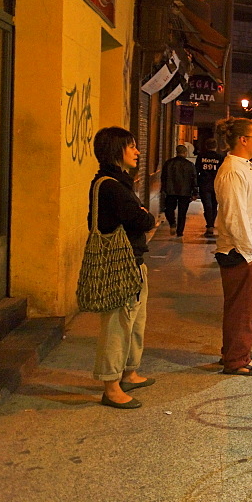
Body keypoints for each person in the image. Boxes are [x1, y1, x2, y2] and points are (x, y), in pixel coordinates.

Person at [88, 127, 157, 409]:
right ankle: (111, 385)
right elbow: (142, 221)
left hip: (134, 261)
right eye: (131, 147)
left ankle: (129, 371)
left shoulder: (120, 183)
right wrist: (146, 216)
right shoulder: (111, 186)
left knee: (135, 322)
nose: (137, 151)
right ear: (116, 151)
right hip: (121, 265)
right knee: (118, 325)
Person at [213, 117, 252, 376]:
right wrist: (249, 254)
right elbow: (234, 216)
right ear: (243, 140)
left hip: (251, 248)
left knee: (245, 306)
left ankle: (236, 350)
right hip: (242, 251)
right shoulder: (232, 170)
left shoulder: (246, 167)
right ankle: (237, 360)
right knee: (246, 308)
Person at [161, 144, 198, 237]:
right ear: (185, 153)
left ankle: (172, 224)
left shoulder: (168, 163)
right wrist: (195, 192)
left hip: (170, 191)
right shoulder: (190, 165)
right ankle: (180, 231)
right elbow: (194, 179)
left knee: (169, 209)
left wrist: (163, 189)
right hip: (185, 192)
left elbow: (163, 177)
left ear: (176, 152)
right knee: (182, 212)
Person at [195, 138, 223, 237]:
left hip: (204, 184)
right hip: (216, 185)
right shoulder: (220, 157)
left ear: (206, 146)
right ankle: (211, 224)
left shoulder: (201, 156)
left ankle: (209, 225)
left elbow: (196, 170)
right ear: (216, 146)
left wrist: (196, 185)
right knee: (214, 205)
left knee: (207, 206)